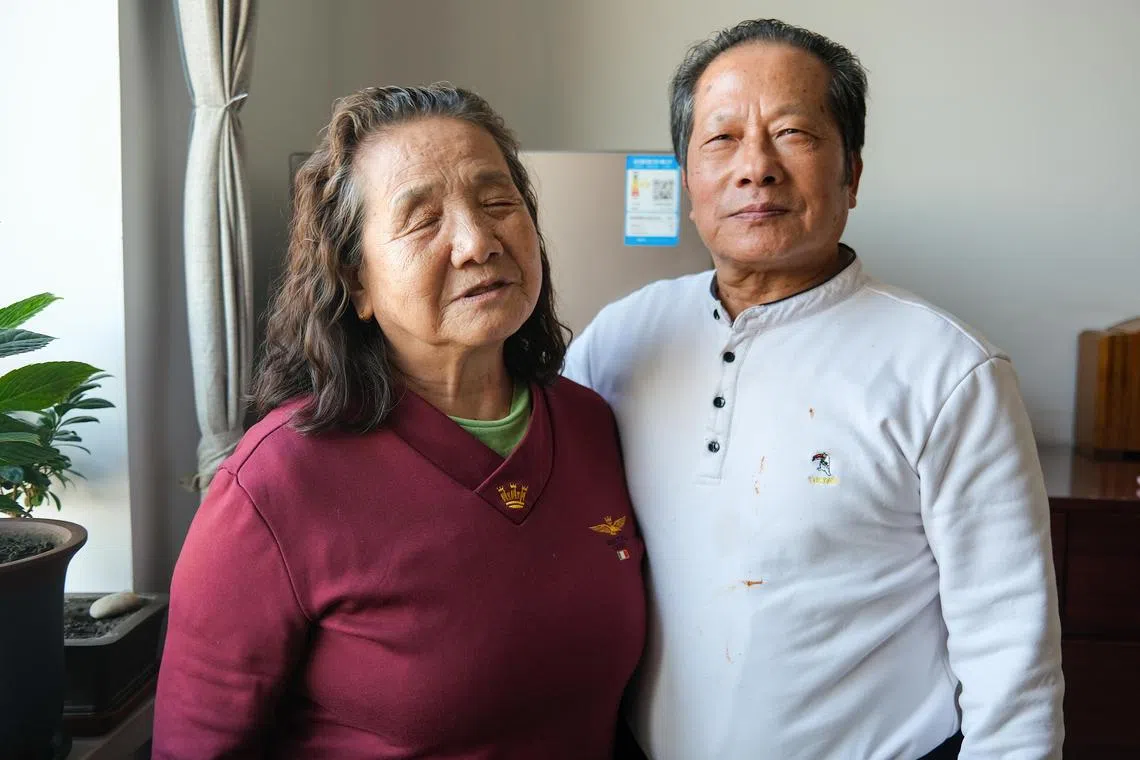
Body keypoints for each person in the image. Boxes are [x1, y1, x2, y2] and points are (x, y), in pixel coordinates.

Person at [564, 18, 1063, 760]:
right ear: (686, 180)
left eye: (793, 133)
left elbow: (1011, 652)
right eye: (721, 139)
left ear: (851, 174)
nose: (755, 168)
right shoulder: (619, 339)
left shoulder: (949, 371)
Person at [153, 84, 646, 759]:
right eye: (422, 219)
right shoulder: (274, 484)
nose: (478, 242)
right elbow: (196, 746)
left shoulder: (591, 424)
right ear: (356, 281)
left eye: (498, 202)